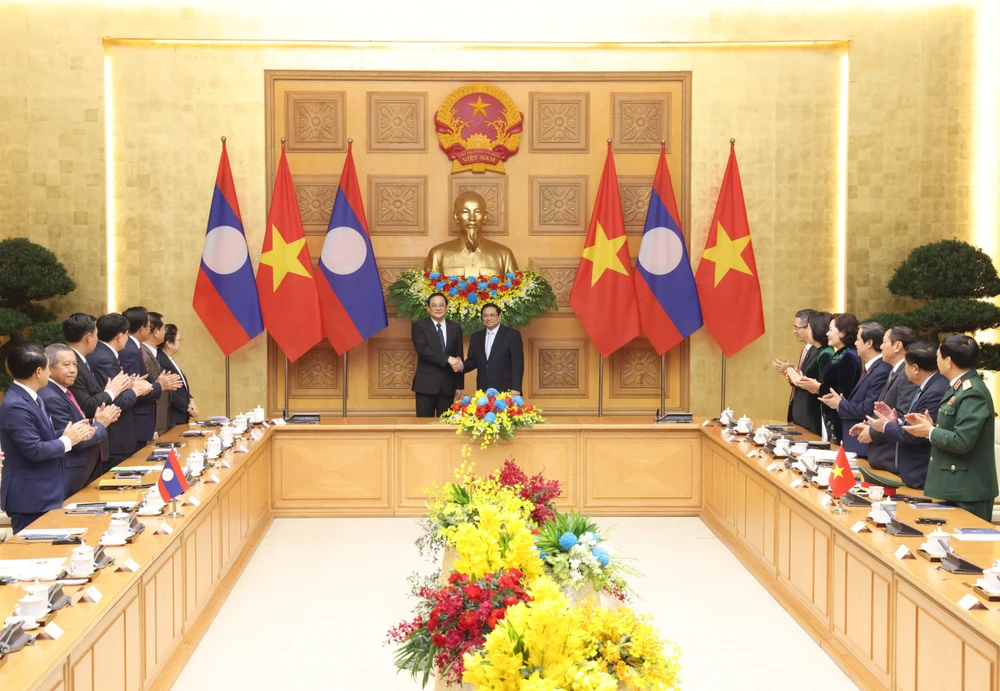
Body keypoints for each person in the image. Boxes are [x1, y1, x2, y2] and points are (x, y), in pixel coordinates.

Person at [902, 334, 997, 521]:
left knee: (969, 549)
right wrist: (930, 425)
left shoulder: (972, 392)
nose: (936, 360)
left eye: (939, 355)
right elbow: (953, 427)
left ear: (949, 361)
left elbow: (962, 441)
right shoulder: (957, 387)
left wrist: (929, 432)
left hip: (968, 490)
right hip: (954, 485)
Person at [0, 344, 93, 533]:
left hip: (44, 492)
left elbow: (42, 437)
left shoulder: (32, 397)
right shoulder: (15, 405)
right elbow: (34, 450)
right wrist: (68, 441)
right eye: (48, 367)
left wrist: (68, 434)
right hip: (31, 497)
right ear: (38, 372)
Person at [863, 341, 948, 489]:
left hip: (921, 473)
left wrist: (885, 427)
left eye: (906, 365)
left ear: (915, 368)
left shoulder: (935, 390)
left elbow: (916, 433)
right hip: (912, 473)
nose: (904, 370)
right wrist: (896, 422)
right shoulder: (928, 385)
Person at [39, 344, 120, 497]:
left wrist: (94, 421)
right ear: (49, 368)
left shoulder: (62, 391)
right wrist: (100, 424)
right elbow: (74, 439)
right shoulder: (50, 396)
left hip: (84, 471)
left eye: (75, 365)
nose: (73, 370)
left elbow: (77, 426)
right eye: (66, 365)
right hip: (70, 475)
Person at [64, 312, 131, 466]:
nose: (97, 339)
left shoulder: (81, 360)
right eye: (96, 335)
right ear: (88, 336)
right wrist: (111, 392)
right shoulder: (73, 365)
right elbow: (86, 404)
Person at [847, 326, 918, 472]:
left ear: (897, 346)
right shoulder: (895, 371)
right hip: (881, 456)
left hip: (891, 458)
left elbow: (902, 419)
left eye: (884, 342)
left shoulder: (907, 374)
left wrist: (872, 432)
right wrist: (870, 425)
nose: (880, 346)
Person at [87, 313, 152, 469]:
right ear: (119, 336)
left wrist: (129, 385)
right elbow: (116, 400)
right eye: (127, 335)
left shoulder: (104, 353)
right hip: (115, 437)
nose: (128, 339)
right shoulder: (104, 358)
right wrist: (136, 390)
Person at [819, 322, 890, 456]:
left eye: (858, 339)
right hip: (855, 443)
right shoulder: (872, 368)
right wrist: (842, 402)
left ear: (868, 343)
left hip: (864, 445)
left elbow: (868, 409)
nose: (855, 343)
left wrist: (840, 404)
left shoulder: (882, 370)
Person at [120, 306, 180, 450]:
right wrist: (159, 385)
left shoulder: (135, 348)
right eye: (149, 326)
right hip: (137, 422)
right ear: (142, 329)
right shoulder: (130, 351)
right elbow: (136, 389)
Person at [796, 313, 861, 443]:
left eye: (830, 330)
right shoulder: (840, 353)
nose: (827, 334)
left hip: (839, 416)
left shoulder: (849, 356)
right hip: (831, 415)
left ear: (842, 333)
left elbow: (844, 391)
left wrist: (818, 387)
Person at [423, 191, 518, 277]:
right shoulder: (438, 254)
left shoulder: (504, 255)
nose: (472, 218)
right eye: (465, 212)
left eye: (477, 212)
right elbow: (428, 293)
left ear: (485, 217)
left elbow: (517, 292)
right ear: (456, 216)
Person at [411, 293, 464, 417]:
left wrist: (459, 385)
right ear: (428, 308)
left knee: (445, 426)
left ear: (446, 307)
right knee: (423, 427)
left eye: (441, 305)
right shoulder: (419, 326)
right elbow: (422, 350)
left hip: (448, 385)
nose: (438, 308)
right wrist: (447, 358)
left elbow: (458, 356)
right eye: (434, 305)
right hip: (426, 385)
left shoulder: (455, 327)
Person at [786, 311, 834, 435]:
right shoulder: (819, 351)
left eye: (809, 328)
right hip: (808, 412)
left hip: (816, 414)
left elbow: (824, 386)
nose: (807, 331)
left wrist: (803, 380)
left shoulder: (826, 353)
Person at [462, 303, 524, 394]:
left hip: (506, 389)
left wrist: (516, 388)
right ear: (482, 318)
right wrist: (460, 365)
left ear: (499, 316)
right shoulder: (476, 337)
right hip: (483, 389)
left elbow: (517, 364)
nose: (489, 318)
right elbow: (473, 361)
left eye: (492, 315)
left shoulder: (512, 335)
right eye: (485, 316)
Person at [771, 308, 815, 423]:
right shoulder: (806, 350)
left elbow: (808, 382)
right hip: (798, 411)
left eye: (797, 328)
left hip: (809, 414)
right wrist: (791, 373)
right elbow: (800, 379)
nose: (794, 331)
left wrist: (790, 370)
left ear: (809, 327)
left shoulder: (820, 352)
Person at [157, 324, 198, 429]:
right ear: (169, 343)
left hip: (180, 416)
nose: (180, 343)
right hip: (172, 418)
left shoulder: (169, 359)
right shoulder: (161, 360)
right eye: (179, 340)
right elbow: (169, 390)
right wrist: (187, 407)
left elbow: (181, 387)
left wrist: (190, 399)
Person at [142, 311, 171, 436]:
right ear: (155, 332)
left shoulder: (153, 353)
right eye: (164, 328)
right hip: (150, 425)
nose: (165, 332)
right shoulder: (143, 354)